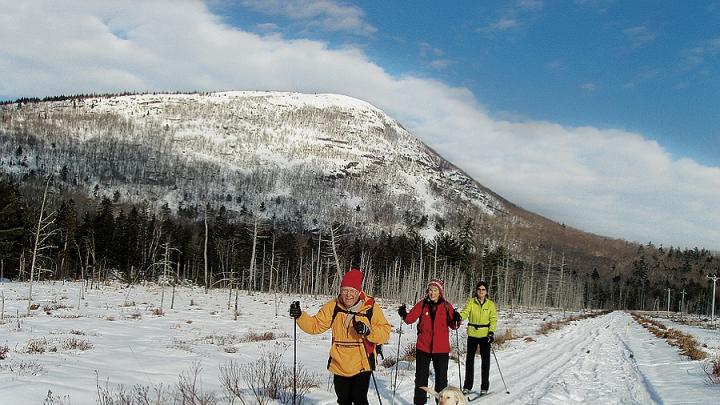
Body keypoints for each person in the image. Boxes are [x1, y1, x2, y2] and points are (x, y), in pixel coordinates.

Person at [289, 268, 390, 405]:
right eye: (345, 290)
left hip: (362, 361)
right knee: (343, 400)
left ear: (359, 292)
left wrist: (368, 332)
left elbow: (385, 332)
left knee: (359, 399)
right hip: (339, 362)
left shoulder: (370, 307)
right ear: (340, 290)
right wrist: (300, 316)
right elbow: (315, 325)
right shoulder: (333, 306)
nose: (348, 295)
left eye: (352, 291)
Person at [398, 279, 462, 405]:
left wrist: (456, 319)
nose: (432, 293)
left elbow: (454, 325)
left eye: (435, 290)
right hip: (423, 347)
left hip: (441, 349)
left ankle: (441, 403)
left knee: (441, 381)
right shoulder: (422, 304)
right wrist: (403, 314)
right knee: (421, 379)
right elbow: (410, 319)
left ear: (440, 292)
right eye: (430, 290)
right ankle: (419, 403)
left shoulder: (446, 306)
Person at [458, 280, 497, 395]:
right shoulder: (471, 302)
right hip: (473, 334)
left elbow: (493, 319)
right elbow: (465, 313)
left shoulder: (490, 304)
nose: (481, 291)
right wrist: (459, 317)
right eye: (479, 289)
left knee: (486, 362)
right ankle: (467, 387)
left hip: (485, 336)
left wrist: (491, 332)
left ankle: (484, 387)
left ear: (486, 291)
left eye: (483, 289)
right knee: (469, 361)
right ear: (476, 291)